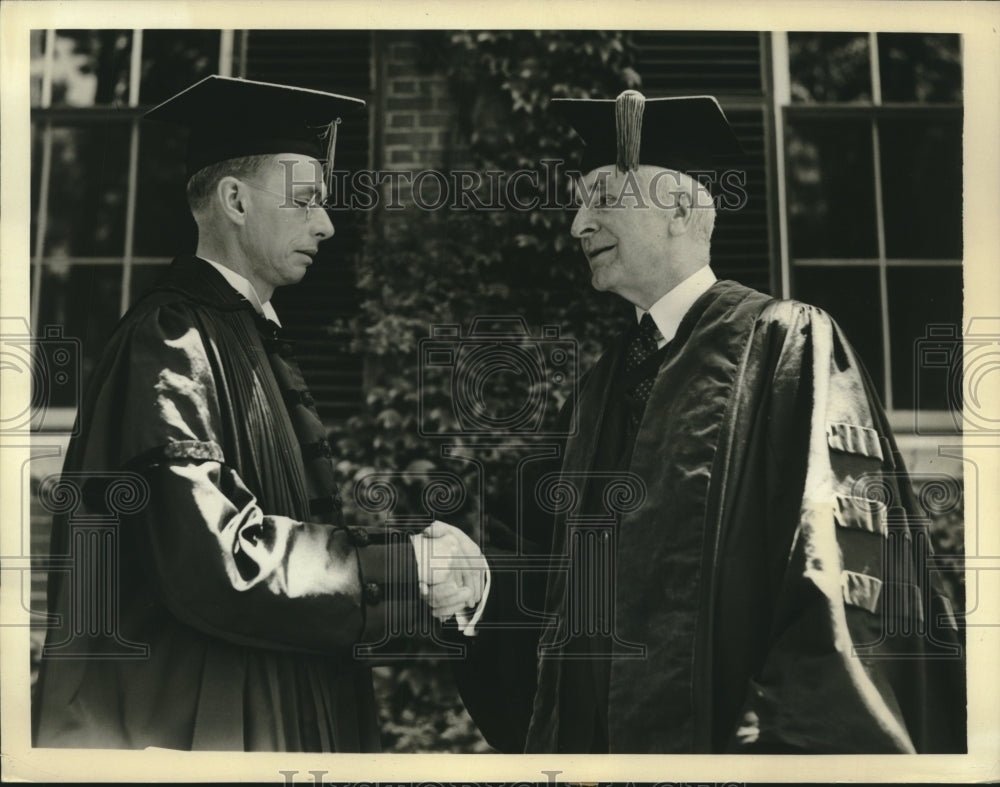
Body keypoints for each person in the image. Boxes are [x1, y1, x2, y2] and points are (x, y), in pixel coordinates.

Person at [443, 90, 966, 754]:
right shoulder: (600, 392)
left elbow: (838, 572)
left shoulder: (786, 346)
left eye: (602, 198)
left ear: (681, 210)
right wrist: (470, 579)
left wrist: (787, 753)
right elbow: (545, 577)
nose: (577, 223)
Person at [31, 75, 485, 752]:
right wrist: (404, 569)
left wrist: (420, 586)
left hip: (266, 707)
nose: (326, 225)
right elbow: (216, 559)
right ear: (235, 200)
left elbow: (292, 553)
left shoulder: (242, 334)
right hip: (196, 728)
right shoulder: (174, 338)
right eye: (305, 201)